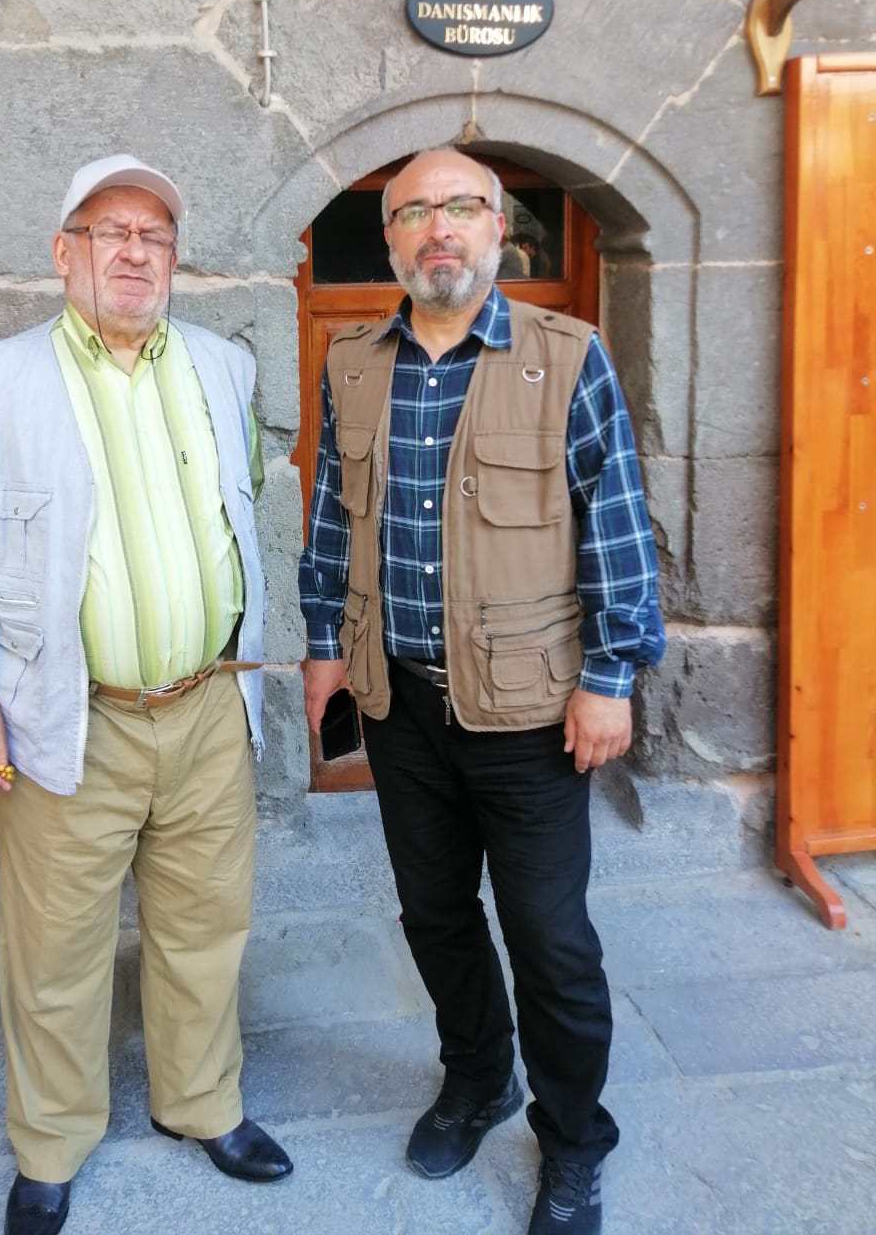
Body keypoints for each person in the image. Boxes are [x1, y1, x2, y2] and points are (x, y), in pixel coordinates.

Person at [0, 154, 292, 1235]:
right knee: (55, 947)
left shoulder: (222, 366)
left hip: (208, 704)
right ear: (64, 253)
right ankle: (50, 1143)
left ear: (173, 259)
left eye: (155, 236)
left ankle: (201, 1102)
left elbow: (236, 514)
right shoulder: (1, 382)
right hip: (68, 712)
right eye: (111, 232)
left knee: (205, 923)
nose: (136, 253)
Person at [299, 147, 664, 1235]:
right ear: (392, 239)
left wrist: (610, 677)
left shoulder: (566, 354)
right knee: (435, 913)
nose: (439, 228)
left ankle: (574, 1139)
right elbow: (334, 517)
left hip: (530, 712)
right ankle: (476, 1077)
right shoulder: (354, 363)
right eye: (414, 211)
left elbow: (617, 522)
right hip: (400, 702)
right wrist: (324, 644)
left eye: (462, 206)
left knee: (551, 941)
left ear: (500, 229)